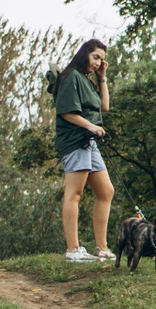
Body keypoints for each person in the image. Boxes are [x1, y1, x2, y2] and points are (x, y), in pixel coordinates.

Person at [48, 38, 114, 262]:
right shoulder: (70, 77)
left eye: (102, 60)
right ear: (84, 53)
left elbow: (104, 107)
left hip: (89, 141)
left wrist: (102, 78)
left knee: (106, 192)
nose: (98, 62)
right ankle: (73, 250)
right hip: (75, 140)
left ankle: (102, 248)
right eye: (96, 57)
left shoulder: (88, 80)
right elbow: (66, 113)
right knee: (74, 193)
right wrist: (91, 126)